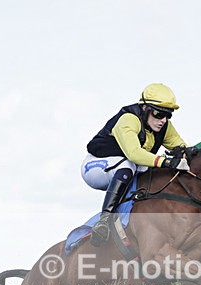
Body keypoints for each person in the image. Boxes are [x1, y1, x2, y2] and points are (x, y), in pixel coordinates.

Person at [81, 83, 190, 246]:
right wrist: (166, 161)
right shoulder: (129, 119)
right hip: (95, 167)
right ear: (145, 108)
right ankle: (104, 221)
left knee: (153, 172)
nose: (163, 120)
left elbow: (182, 148)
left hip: (125, 166)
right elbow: (134, 153)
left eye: (168, 115)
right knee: (130, 165)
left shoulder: (164, 125)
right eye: (159, 113)